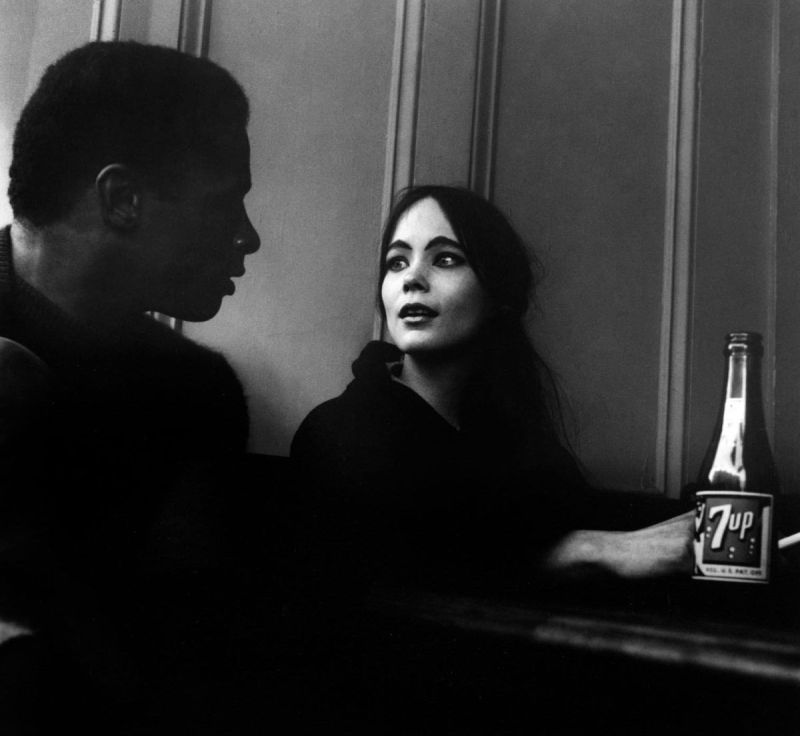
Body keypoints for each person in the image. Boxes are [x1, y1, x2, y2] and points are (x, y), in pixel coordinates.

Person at [0, 41, 265, 732]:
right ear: (123, 199)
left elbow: (183, 666)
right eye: (225, 204)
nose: (249, 237)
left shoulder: (199, 398)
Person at [291, 184, 694, 598]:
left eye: (445, 259)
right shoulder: (336, 431)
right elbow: (414, 573)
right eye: (397, 262)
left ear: (499, 296)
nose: (411, 279)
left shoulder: (512, 435)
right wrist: (588, 551)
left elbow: (578, 521)